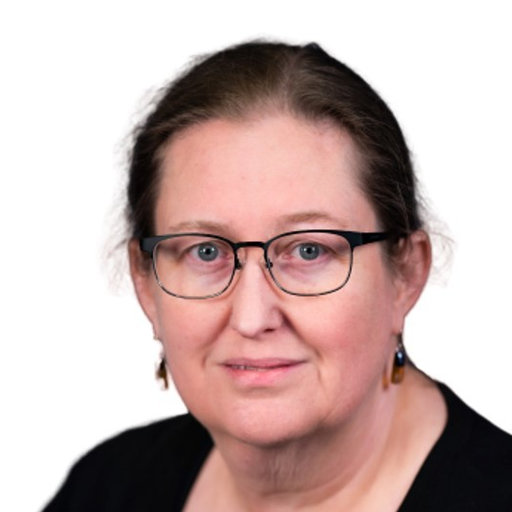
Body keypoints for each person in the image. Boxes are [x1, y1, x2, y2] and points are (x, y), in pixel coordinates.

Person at [42, 41, 512, 511]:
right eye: (206, 252)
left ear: (406, 275)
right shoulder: (105, 489)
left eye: (309, 250)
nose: (251, 317)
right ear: (145, 284)